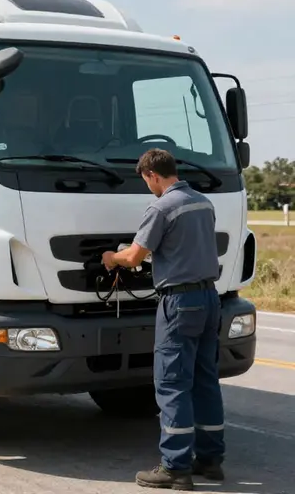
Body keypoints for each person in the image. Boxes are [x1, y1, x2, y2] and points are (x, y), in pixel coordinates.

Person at [101, 148, 224, 491]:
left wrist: (112, 257)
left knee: (172, 384)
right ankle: (211, 460)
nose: (148, 187)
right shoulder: (202, 202)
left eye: (146, 181)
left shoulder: (161, 207)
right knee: (205, 380)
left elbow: (134, 256)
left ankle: (175, 467)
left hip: (180, 302)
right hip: (209, 297)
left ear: (153, 175)